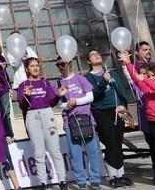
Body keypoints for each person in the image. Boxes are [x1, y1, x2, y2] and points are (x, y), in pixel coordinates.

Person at [17, 58, 69, 190]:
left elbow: (51, 102)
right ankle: (42, 183)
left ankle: (62, 181)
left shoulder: (45, 83)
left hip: (47, 114)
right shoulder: (23, 85)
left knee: (54, 149)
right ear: (27, 69)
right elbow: (22, 106)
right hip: (32, 115)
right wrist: (27, 95)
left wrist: (58, 95)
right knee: (38, 151)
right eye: (32, 66)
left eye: (37, 66)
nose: (35, 68)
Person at [84, 49, 132, 188]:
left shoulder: (114, 73)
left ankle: (121, 175)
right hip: (101, 112)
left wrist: (123, 105)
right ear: (88, 61)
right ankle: (113, 176)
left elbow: (121, 91)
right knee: (110, 142)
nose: (96, 55)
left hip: (118, 111)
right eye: (92, 55)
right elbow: (94, 95)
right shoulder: (88, 77)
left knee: (118, 142)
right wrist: (104, 82)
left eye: (97, 53)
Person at [55, 56, 101, 190]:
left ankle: (95, 181)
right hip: (70, 122)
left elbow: (91, 96)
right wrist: (67, 105)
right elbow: (58, 104)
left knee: (92, 151)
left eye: (62, 64)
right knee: (75, 154)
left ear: (69, 63)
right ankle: (81, 181)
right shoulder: (58, 82)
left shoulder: (80, 78)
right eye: (58, 65)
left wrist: (76, 101)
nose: (61, 67)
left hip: (86, 118)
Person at [120, 51, 155, 185]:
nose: (151, 78)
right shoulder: (146, 85)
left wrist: (145, 79)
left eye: (154, 76)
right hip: (153, 122)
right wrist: (127, 62)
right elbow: (134, 77)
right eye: (150, 76)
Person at [133, 41, 155, 185]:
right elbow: (131, 77)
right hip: (147, 113)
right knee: (154, 145)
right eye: (144, 49)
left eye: (149, 49)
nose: (148, 51)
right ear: (137, 52)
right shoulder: (134, 67)